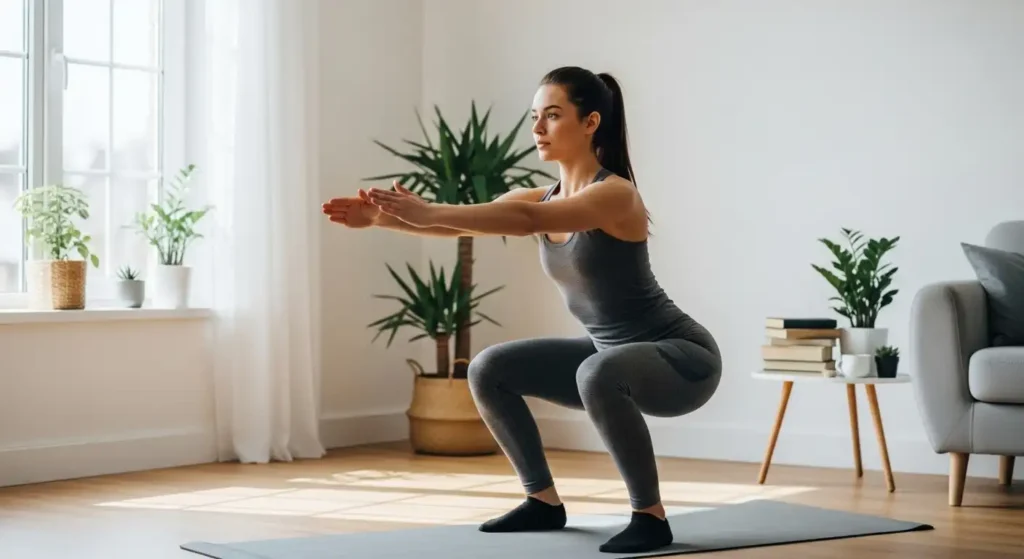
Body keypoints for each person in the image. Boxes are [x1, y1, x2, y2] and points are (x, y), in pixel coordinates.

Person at [321, 66, 722, 554]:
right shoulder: (542, 195)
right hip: (608, 358)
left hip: (681, 360)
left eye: (552, 116)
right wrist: (383, 218)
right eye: (535, 116)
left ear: (591, 121)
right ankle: (542, 503)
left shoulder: (615, 194)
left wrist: (426, 209)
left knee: (598, 371)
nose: (537, 129)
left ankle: (650, 517)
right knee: (491, 367)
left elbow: (529, 219)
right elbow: (467, 225)